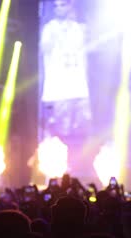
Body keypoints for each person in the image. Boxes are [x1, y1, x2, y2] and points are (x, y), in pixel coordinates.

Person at [40, 0, 91, 137]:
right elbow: (45, 48)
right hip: (59, 89)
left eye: (63, 5)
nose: (59, 9)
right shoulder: (49, 29)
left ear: (70, 6)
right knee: (62, 130)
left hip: (79, 87)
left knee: (82, 130)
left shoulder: (80, 29)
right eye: (56, 6)